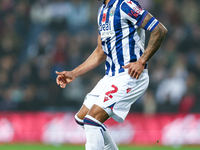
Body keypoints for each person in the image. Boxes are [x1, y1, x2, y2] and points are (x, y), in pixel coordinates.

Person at [56, 0, 167, 149]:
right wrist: (74, 73)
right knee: (82, 118)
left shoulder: (125, 5)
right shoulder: (102, 10)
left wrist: (142, 61)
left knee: (92, 120)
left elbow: (159, 29)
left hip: (130, 75)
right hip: (111, 76)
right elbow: (100, 52)